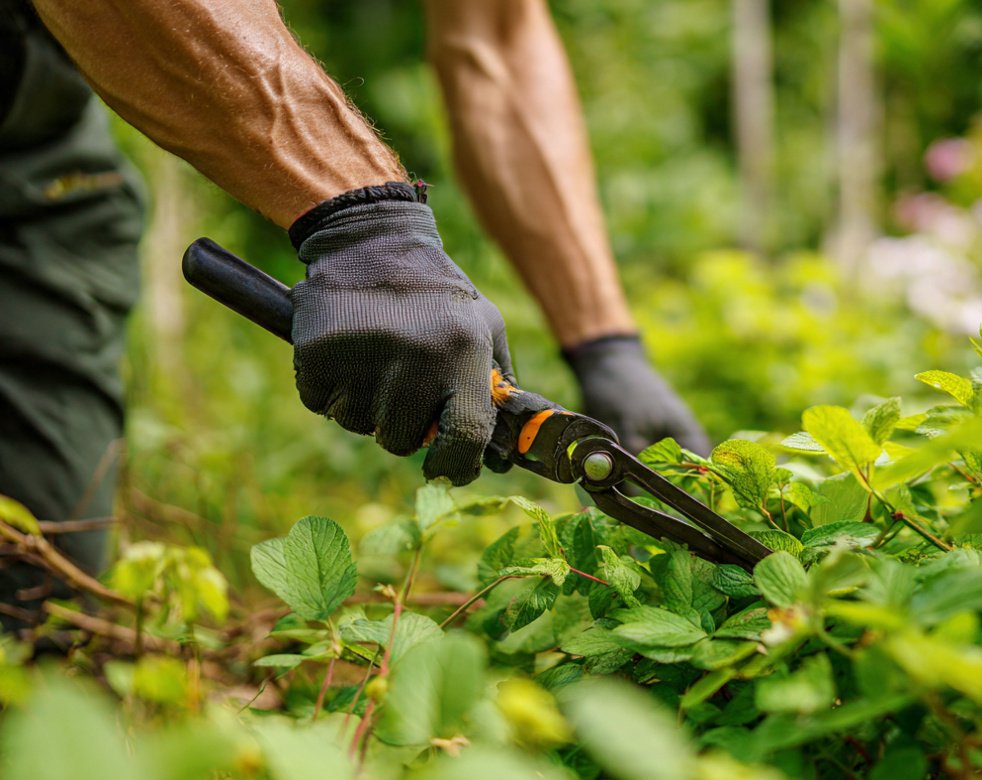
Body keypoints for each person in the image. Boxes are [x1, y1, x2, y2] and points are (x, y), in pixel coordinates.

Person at [0, 0, 710, 629]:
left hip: (31, 131)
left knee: (37, 600)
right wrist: (364, 221)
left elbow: (495, 42)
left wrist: (605, 345)